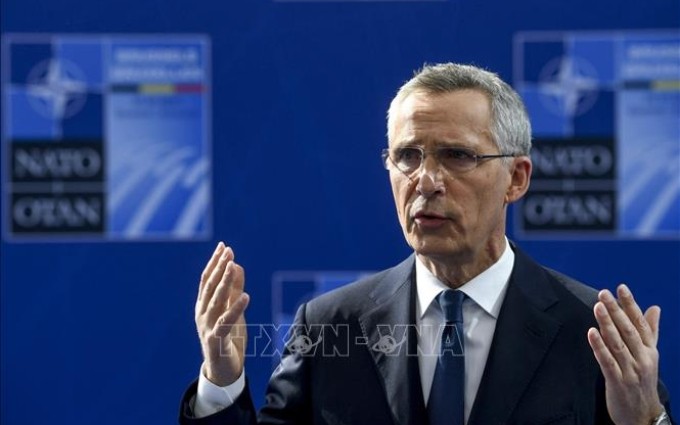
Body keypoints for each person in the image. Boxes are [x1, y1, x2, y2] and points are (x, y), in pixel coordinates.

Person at [179, 63, 674, 425]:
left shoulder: (589, 332)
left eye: (457, 155)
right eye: (407, 156)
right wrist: (222, 380)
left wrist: (646, 420)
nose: (427, 180)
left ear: (516, 178)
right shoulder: (328, 325)